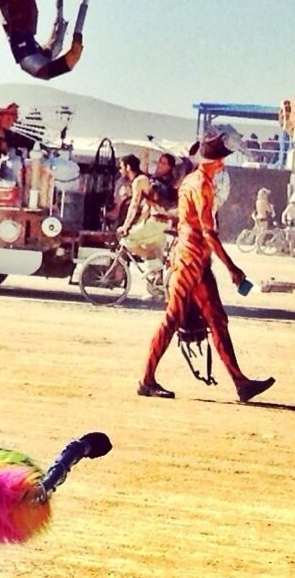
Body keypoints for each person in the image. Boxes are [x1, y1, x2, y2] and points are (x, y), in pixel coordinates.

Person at [138, 129, 274, 403]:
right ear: (218, 161)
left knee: (216, 319)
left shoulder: (192, 181)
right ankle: (146, 380)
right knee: (174, 318)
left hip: (195, 259)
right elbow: (209, 232)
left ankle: (240, 382)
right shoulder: (202, 185)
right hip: (190, 259)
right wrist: (232, 268)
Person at [115, 154, 171, 261]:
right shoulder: (144, 179)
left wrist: (125, 227)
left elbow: (134, 205)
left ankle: (155, 265)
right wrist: (139, 223)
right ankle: (158, 273)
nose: (120, 170)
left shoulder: (139, 181)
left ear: (128, 167)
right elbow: (147, 205)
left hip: (157, 221)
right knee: (152, 252)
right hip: (162, 220)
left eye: (121, 167)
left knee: (128, 240)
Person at [252, 186, 275, 252]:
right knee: (262, 234)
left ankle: (256, 247)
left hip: (258, 218)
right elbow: (269, 210)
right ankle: (258, 248)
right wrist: (271, 207)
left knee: (258, 234)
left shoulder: (258, 201)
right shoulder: (264, 201)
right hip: (263, 218)